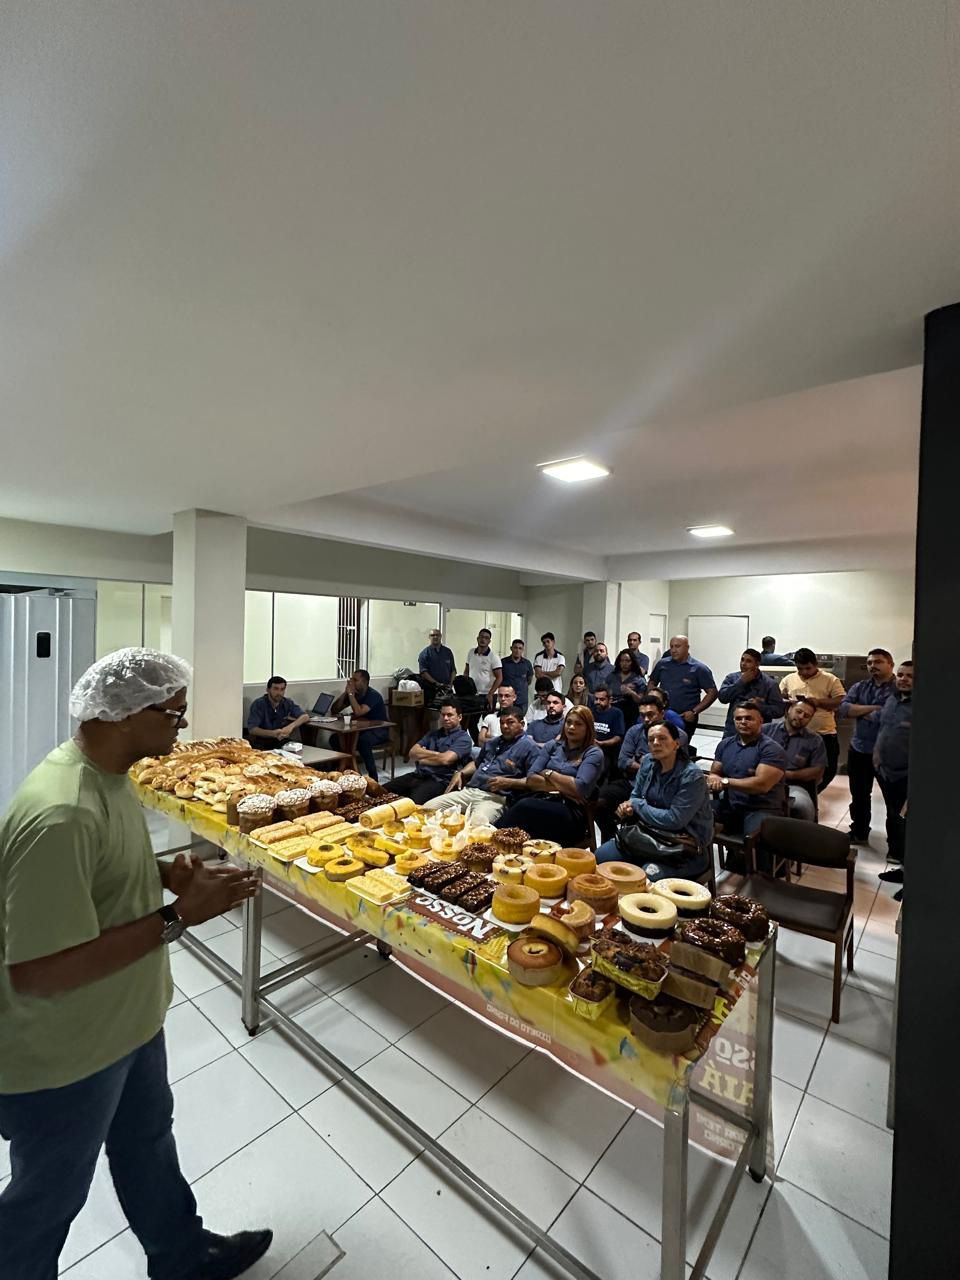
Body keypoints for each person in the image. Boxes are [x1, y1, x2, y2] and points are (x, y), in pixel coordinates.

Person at [0, 648, 270, 1280]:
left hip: (129, 1020)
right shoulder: (61, 811)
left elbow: (101, 872)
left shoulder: (111, 777)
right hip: (68, 1052)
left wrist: (166, 874)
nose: (183, 724)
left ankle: (183, 1254)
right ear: (123, 715)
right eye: (173, 713)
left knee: (147, 1142)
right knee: (47, 1198)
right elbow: (37, 971)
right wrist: (179, 918)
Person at [595, 722, 714, 882]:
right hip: (648, 834)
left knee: (648, 875)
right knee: (601, 855)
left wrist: (637, 805)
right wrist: (628, 806)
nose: (656, 743)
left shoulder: (692, 776)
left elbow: (674, 820)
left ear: (676, 744)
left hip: (683, 846)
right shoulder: (648, 762)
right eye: (651, 740)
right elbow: (635, 795)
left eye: (662, 738)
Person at [494, 706, 604, 845]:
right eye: (569, 722)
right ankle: (498, 842)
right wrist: (565, 788)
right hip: (545, 799)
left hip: (572, 811)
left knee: (524, 807)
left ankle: (493, 839)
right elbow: (531, 779)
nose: (571, 727)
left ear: (588, 728)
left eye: (578, 724)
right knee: (523, 811)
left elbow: (579, 788)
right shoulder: (553, 746)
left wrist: (548, 773)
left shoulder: (593, 753)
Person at [422, 707, 540, 826]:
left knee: (476, 826)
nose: (504, 726)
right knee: (426, 810)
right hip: (469, 791)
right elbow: (476, 763)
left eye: (510, 722)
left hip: (495, 798)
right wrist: (461, 772)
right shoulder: (492, 742)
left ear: (522, 724)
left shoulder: (530, 747)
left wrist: (509, 782)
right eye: (502, 723)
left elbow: (535, 782)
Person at [594, 694, 688, 841]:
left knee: (638, 813)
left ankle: (637, 841)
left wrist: (640, 764)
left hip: (661, 787)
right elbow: (623, 761)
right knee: (600, 801)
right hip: (633, 783)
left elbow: (676, 767)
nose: (646, 719)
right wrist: (648, 766)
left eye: (650, 715)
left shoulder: (677, 735)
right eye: (642, 715)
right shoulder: (634, 731)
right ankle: (613, 839)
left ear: (662, 713)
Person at [839, 648, 896, 844]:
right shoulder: (860, 686)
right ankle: (859, 832)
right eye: (870, 663)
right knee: (859, 795)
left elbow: (891, 715)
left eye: (878, 662)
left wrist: (860, 711)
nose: (873, 666)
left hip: (888, 753)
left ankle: (895, 842)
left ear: (890, 664)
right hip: (859, 749)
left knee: (893, 799)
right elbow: (844, 709)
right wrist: (874, 708)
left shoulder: (900, 688)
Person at [707, 704, 787, 838]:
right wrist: (713, 778)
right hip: (731, 804)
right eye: (739, 719)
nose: (743, 722)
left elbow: (761, 785)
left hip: (762, 807)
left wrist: (725, 782)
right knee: (693, 816)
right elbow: (715, 772)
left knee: (753, 840)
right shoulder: (725, 744)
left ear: (760, 721)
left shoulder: (771, 749)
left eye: (749, 718)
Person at [778, 648, 845, 792]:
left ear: (815, 664)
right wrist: (788, 703)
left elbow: (840, 701)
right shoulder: (789, 679)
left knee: (828, 770)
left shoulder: (830, 679)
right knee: (796, 769)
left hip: (824, 733)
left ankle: (814, 793)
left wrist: (818, 702)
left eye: (808, 668)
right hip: (797, 735)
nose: (804, 672)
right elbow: (780, 697)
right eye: (800, 668)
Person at [391, 699, 474, 805]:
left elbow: (446, 760)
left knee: (411, 803)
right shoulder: (433, 734)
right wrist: (438, 754)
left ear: (460, 717)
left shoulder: (463, 738)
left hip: (440, 780)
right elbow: (412, 752)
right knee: (382, 791)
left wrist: (423, 760)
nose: (445, 718)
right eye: (443, 715)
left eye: (449, 715)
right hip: (419, 774)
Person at [875, 661, 913, 885]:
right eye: (900, 675)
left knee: (907, 821)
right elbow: (884, 729)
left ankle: (909, 871)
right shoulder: (892, 700)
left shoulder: (924, 704)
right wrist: (877, 753)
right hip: (887, 771)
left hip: (907, 774)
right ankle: (899, 860)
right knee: (893, 816)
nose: (903, 679)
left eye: (909, 676)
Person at [765, 698, 827, 820]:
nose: (801, 717)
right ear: (789, 710)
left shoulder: (815, 740)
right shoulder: (765, 730)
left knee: (802, 807)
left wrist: (788, 775)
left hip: (793, 785)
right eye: (799, 711)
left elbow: (817, 771)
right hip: (760, 779)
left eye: (807, 716)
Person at [649, 635, 718, 738]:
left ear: (687, 647)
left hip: (685, 717)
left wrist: (694, 711)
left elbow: (712, 692)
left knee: (680, 744)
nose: (673, 650)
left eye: (677, 646)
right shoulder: (662, 664)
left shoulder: (699, 668)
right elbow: (652, 682)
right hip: (662, 715)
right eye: (671, 646)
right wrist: (651, 700)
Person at [330, 669, 390, 780]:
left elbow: (358, 712)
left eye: (355, 680)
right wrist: (345, 693)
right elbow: (334, 710)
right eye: (351, 679)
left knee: (363, 741)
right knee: (335, 739)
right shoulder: (354, 694)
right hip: (362, 729)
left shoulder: (373, 695)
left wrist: (350, 694)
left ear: (365, 682)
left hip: (379, 729)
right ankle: (342, 770)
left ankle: (373, 776)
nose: (352, 682)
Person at [716, 649, 786, 735]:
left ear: (757, 664)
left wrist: (760, 706)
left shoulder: (769, 684)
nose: (743, 664)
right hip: (733, 731)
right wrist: (741, 682)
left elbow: (779, 710)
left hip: (758, 733)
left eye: (748, 661)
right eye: (742, 660)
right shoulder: (732, 678)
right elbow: (723, 698)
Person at [246, 676, 310, 749]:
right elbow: (252, 729)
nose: (279, 693)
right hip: (262, 741)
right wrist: (273, 733)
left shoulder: (287, 702)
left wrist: (291, 727)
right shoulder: (259, 704)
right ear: (268, 690)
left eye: (282, 689)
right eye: (276, 689)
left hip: (280, 740)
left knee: (299, 748)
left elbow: (305, 716)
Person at [463, 628, 502, 708]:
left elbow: (499, 678)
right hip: (472, 693)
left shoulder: (494, 657)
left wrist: (490, 693)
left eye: (486, 638)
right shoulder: (471, 652)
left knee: (488, 716)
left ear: (489, 641)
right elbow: (466, 670)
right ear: (477, 638)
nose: (483, 640)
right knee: (472, 715)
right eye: (481, 637)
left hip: (487, 694)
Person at [609, 648, 647, 728]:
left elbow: (641, 701)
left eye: (627, 661)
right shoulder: (612, 676)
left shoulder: (638, 679)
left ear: (632, 662)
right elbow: (605, 691)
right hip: (613, 712)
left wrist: (631, 693)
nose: (624, 664)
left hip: (630, 715)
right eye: (622, 661)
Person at [590, 686, 625, 773]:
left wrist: (601, 743)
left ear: (610, 700)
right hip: (590, 748)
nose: (598, 702)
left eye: (602, 699)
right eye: (596, 699)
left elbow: (618, 737)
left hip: (608, 751)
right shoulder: (591, 711)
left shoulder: (616, 713)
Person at [499, 638, 534, 713]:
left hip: (522, 699)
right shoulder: (503, 662)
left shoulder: (527, 663)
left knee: (520, 718)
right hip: (506, 698)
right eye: (515, 648)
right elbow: (499, 678)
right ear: (511, 648)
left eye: (520, 648)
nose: (517, 650)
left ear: (523, 650)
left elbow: (529, 680)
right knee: (506, 717)